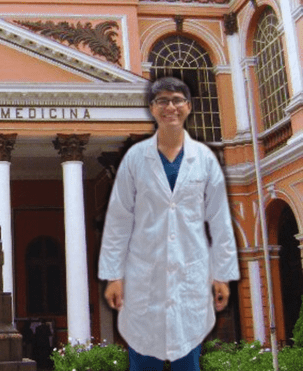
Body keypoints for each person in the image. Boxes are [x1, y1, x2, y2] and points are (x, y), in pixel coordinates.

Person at [98, 76, 239, 371]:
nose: (170, 106)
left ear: (188, 107)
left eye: (176, 100)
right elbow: (119, 219)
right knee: (143, 353)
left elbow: (220, 219)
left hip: (191, 271)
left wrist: (222, 274)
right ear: (152, 108)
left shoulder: (205, 159)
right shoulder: (135, 159)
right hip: (143, 273)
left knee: (188, 354)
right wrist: (113, 275)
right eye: (162, 100)